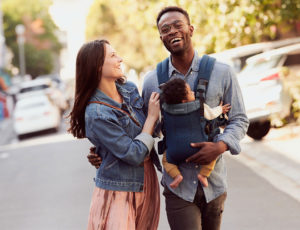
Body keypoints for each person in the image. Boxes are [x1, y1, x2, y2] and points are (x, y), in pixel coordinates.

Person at [88, 6, 249, 230]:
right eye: (165, 29)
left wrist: (220, 146)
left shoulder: (221, 72)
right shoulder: (152, 80)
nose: (172, 31)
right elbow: (143, 128)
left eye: (177, 25)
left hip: (214, 182)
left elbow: (239, 119)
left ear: (190, 29)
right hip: (177, 187)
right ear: (161, 37)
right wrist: (102, 149)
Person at [68, 39, 161, 230]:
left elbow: (149, 131)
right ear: (97, 67)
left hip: (147, 180)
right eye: (112, 55)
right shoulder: (96, 114)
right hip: (119, 189)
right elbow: (134, 153)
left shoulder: (129, 89)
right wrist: (151, 117)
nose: (120, 59)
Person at [160, 78, 231, 188]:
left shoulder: (166, 110)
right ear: (183, 100)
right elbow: (211, 114)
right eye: (189, 92)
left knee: (166, 160)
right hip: (199, 148)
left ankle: (177, 176)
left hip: (174, 152)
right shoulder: (199, 107)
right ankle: (203, 175)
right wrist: (221, 109)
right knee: (213, 153)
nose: (193, 92)